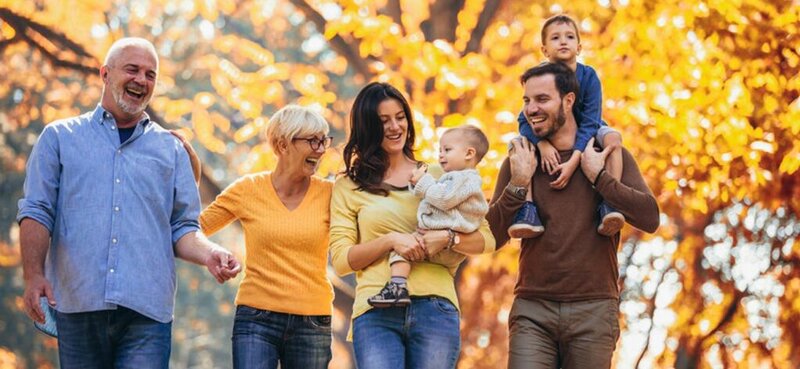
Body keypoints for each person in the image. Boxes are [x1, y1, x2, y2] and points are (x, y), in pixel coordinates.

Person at [17, 37, 241, 369]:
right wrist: (33, 275)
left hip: (147, 313)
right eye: (132, 69)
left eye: (150, 74)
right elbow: (37, 210)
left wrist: (211, 254)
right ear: (105, 74)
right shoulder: (60, 138)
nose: (141, 80)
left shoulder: (171, 149)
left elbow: (183, 228)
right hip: (77, 303)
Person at [487, 62, 659, 368]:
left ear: (569, 100)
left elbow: (650, 218)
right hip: (532, 309)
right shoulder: (521, 159)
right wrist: (517, 184)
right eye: (526, 100)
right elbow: (490, 237)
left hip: (593, 311)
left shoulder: (607, 154)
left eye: (542, 99)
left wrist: (601, 178)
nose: (531, 109)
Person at [329, 82, 496, 369]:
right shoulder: (348, 185)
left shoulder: (438, 175)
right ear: (367, 127)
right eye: (383, 121)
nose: (395, 127)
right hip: (375, 309)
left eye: (400, 117)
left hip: (435, 307)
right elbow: (342, 261)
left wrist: (448, 239)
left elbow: (487, 240)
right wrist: (391, 241)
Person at [198, 104, 335, 369]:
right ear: (283, 145)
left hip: (313, 321)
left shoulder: (332, 194)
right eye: (312, 141)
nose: (320, 149)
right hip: (256, 319)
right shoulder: (248, 190)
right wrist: (214, 254)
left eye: (323, 141)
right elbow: (195, 228)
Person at [508, 14, 626, 239]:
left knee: (613, 139)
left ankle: (611, 202)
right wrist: (541, 144)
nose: (563, 41)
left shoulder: (589, 76)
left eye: (570, 37)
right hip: (549, 132)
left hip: (588, 129)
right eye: (555, 38)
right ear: (544, 50)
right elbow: (525, 119)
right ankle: (528, 209)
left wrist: (575, 158)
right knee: (517, 145)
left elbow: (592, 120)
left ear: (579, 47)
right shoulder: (540, 77)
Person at [368, 125, 490, 307]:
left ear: (469, 153)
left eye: (447, 150)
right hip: (441, 240)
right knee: (404, 247)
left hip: (444, 243)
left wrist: (423, 182)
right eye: (440, 150)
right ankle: (398, 287)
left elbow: (444, 198)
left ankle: (397, 287)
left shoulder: (466, 179)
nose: (441, 155)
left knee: (402, 248)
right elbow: (437, 193)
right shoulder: (454, 178)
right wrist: (417, 183)